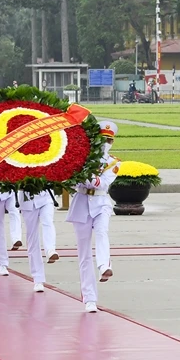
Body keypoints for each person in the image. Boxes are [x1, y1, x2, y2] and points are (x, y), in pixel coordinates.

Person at [65, 121, 120, 313]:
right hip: (81, 204)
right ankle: (89, 298)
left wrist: (86, 176)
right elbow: (71, 182)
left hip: (100, 203)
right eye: (102, 139)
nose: (105, 143)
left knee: (102, 232)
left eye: (108, 140)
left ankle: (105, 265)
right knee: (84, 254)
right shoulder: (82, 158)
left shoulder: (114, 162)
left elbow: (101, 184)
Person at [18, 189, 55, 292]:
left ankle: (50, 250)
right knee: (32, 238)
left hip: (45, 196)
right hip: (27, 201)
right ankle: (38, 278)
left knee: (48, 221)